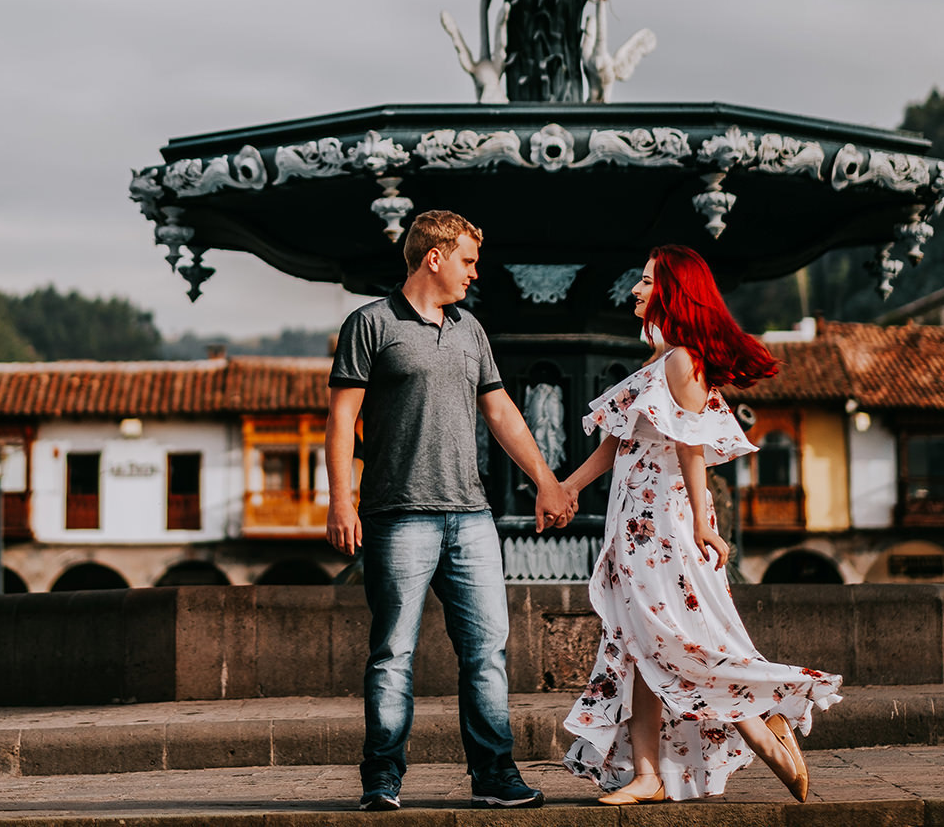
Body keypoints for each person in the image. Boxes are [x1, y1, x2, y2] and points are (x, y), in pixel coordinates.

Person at [558, 245, 842, 804]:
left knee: (671, 638)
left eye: (646, 281)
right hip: (634, 519)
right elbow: (616, 445)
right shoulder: (657, 362)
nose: (635, 290)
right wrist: (566, 488)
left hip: (664, 522)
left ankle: (759, 721)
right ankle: (649, 773)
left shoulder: (682, 361)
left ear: (672, 291)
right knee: (640, 642)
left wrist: (699, 524)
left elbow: (690, 445)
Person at [326, 208, 576, 811]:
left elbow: (502, 414)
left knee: (487, 650)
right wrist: (341, 500)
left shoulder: (471, 330)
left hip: (471, 517)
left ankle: (494, 775)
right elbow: (340, 421)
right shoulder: (371, 324)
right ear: (432, 257)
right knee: (392, 653)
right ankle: (381, 778)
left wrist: (546, 479)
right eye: (467, 261)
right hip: (397, 514)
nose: (473, 274)